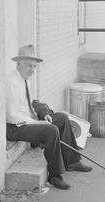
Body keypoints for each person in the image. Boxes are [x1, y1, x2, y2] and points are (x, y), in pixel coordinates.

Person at [6, 44, 92, 190]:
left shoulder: (24, 79)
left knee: (62, 118)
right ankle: (55, 175)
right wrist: (35, 123)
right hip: (15, 127)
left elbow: (32, 101)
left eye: (34, 67)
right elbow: (11, 115)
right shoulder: (10, 83)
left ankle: (72, 161)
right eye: (29, 66)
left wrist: (44, 113)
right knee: (50, 130)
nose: (32, 70)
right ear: (19, 63)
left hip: (27, 122)